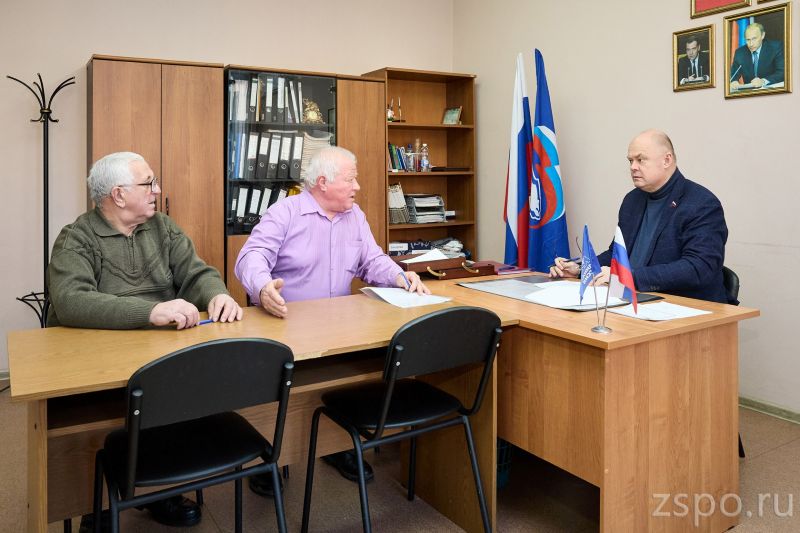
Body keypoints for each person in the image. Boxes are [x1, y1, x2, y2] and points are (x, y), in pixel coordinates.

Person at [48, 152, 242, 530]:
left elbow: (196, 273)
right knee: (95, 425)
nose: (157, 190)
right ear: (118, 195)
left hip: (160, 357)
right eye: (148, 183)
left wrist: (216, 293)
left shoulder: (162, 227)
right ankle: (95, 502)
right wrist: (150, 312)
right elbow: (71, 301)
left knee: (180, 399)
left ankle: (159, 490)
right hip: (97, 363)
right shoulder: (76, 238)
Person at [235, 146, 429, 493]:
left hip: (339, 329)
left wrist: (399, 276)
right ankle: (268, 457)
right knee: (277, 388)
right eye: (351, 179)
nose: (358, 187)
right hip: (285, 327)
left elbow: (372, 260)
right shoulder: (285, 212)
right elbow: (251, 257)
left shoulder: (355, 216)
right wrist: (262, 287)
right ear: (322, 182)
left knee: (349, 376)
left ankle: (336, 444)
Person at [549, 129, 728, 304]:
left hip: (684, 306)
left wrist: (627, 277)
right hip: (630, 300)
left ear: (666, 160)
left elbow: (699, 268)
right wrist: (582, 269)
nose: (633, 167)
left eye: (641, 160)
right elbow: (616, 254)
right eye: (630, 160)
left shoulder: (702, 203)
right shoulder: (633, 200)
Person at [730, 22, 784, 91]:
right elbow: (734, 75)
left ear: (762, 35)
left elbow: (782, 72)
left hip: (772, 91)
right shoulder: (740, 52)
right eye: (748, 40)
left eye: (754, 39)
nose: (751, 44)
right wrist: (734, 81)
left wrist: (763, 81)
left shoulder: (775, 47)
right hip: (750, 93)